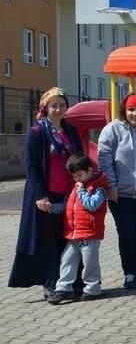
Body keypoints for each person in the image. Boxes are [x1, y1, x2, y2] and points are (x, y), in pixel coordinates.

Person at [9, 87, 84, 298]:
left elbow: (79, 159)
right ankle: (51, 282)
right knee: (47, 241)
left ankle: (72, 281)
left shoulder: (71, 132)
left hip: (68, 194)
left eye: (62, 105)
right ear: (45, 108)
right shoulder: (37, 132)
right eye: (54, 106)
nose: (58, 109)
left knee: (68, 238)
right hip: (45, 196)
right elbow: (31, 167)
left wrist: (80, 187)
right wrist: (40, 195)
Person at [98, 92, 136, 289]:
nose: (135, 114)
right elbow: (104, 160)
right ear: (125, 110)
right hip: (120, 194)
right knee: (127, 234)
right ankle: (129, 273)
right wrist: (111, 186)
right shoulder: (112, 130)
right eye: (131, 109)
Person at [47, 154, 108, 304]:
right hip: (73, 235)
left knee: (90, 263)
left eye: (80, 175)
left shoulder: (98, 188)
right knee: (66, 260)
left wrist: (81, 191)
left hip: (89, 235)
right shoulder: (74, 188)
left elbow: (92, 205)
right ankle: (63, 288)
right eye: (74, 177)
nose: (77, 179)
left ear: (89, 170)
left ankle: (93, 288)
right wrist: (52, 208)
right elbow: (66, 205)